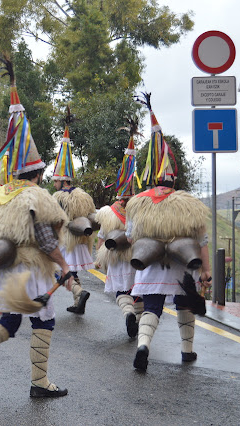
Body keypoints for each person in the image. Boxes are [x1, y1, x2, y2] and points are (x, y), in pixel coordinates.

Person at [0, 58, 73, 398]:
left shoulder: (1, 193)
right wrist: (64, 266)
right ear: (36, 172)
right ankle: (39, 383)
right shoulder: (37, 195)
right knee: (44, 321)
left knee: (9, 322)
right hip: (31, 270)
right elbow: (45, 238)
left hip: (5, 268)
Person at [127, 92, 211, 371]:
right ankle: (187, 351)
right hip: (181, 266)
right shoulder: (188, 203)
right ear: (173, 176)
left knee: (151, 307)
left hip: (151, 264)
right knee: (185, 305)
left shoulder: (139, 202)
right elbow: (202, 240)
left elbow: (130, 237)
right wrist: (206, 269)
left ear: (152, 175)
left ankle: (143, 346)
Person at [95, 120, 142, 337]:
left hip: (115, 257)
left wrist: (98, 257)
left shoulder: (107, 212)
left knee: (121, 292)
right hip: (137, 257)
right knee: (137, 291)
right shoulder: (141, 209)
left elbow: (102, 237)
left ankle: (128, 314)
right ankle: (138, 324)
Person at [51, 118, 95, 314]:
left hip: (65, 242)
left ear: (61, 180)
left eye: (55, 180)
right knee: (72, 270)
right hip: (80, 241)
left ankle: (79, 291)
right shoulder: (83, 195)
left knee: (55, 269)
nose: (54, 184)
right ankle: (78, 301)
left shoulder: (59, 197)